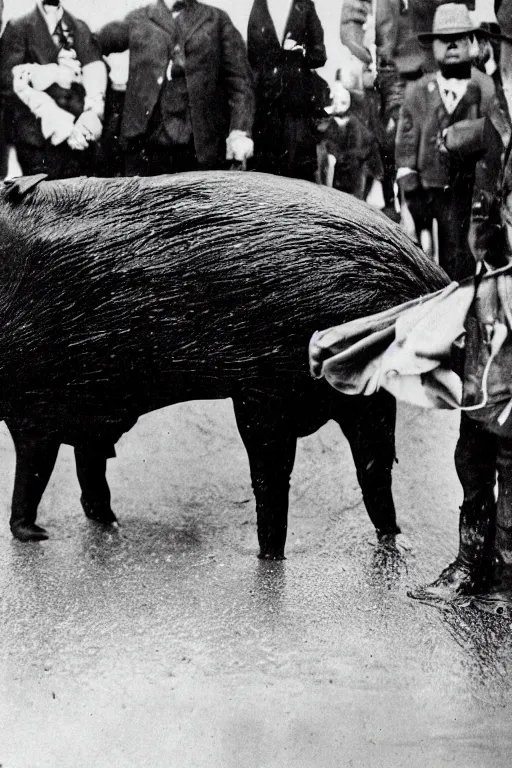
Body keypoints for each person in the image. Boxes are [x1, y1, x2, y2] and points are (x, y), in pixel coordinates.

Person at [395, 3, 505, 283]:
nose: (452, 45)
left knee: (467, 256)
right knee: (429, 259)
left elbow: (496, 138)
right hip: (430, 191)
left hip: (472, 191)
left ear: (472, 43)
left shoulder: (484, 88)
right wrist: (410, 189)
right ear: (433, 46)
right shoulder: (418, 91)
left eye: (460, 37)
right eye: (445, 39)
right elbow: (407, 143)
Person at [97, 0, 255, 177]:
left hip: (199, 146)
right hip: (145, 143)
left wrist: (239, 131)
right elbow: (93, 46)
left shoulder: (217, 20)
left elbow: (240, 81)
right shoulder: (138, 19)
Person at [0, 0, 107, 180]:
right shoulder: (19, 28)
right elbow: (6, 83)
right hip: (38, 144)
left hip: (79, 144)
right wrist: (49, 75)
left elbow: (94, 68)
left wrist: (90, 117)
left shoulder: (78, 27)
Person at [247, 0, 327, 182]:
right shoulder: (259, 6)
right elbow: (252, 56)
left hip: (296, 105)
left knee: (298, 169)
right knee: (266, 171)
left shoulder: (304, 6)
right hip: (267, 104)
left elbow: (319, 54)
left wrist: (300, 51)